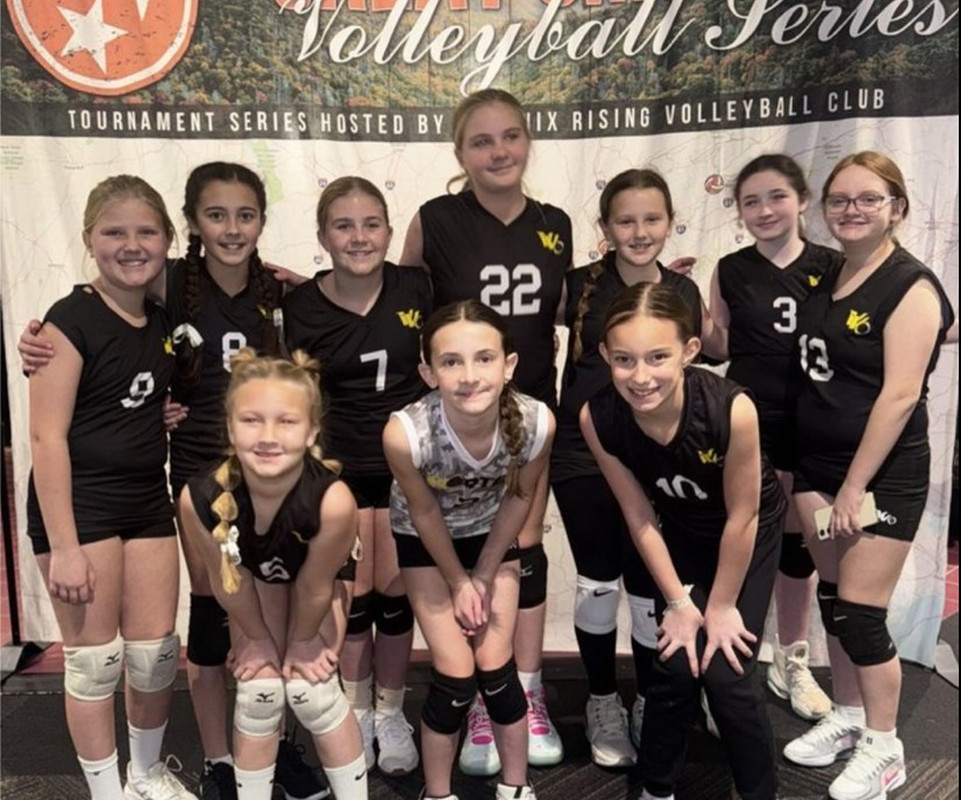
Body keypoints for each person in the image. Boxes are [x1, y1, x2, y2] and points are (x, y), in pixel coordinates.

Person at [18, 162, 333, 800]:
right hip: (194, 484)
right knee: (205, 624)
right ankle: (217, 762)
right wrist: (38, 340)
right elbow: (54, 426)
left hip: (267, 483)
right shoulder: (157, 291)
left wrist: (314, 287)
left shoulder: (270, 296)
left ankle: (265, 753)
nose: (232, 228)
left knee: (229, 631)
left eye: (245, 215)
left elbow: (140, 380)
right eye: (216, 215)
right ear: (190, 225)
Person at [400, 88, 568, 774]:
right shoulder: (436, 218)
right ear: (459, 153)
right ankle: (475, 690)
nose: (499, 151)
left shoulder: (555, 221)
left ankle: (521, 690)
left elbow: (572, 307)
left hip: (525, 415)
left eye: (510, 136)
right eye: (481, 141)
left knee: (522, 547)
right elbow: (398, 298)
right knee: (466, 546)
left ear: (528, 141)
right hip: (458, 418)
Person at [781, 152, 954, 800]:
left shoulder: (910, 286)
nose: (851, 210)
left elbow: (899, 396)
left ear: (896, 209)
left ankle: (886, 748)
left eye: (868, 199)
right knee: (833, 599)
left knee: (860, 613)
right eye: (840, 200)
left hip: (879, 478)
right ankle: (850, 715)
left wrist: (855, 487)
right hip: (816, 468)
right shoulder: (831, 272)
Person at [26, 175, 196, 800]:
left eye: (146, 232)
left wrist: (157, 412)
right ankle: (105, 792)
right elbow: (46, 438)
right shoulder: (67, 321)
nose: (131, 245)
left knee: (154, 655)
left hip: (146, 500)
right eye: (114, 232)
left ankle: (145, 776)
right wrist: (65, 547)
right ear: (88, 239)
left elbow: (128, 393)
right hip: (82, 507)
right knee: (95, 662)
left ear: (168, 239)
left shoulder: (162, 316)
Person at [581, 282, 786, 800]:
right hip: (679, 533)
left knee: (726, 673)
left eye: (657, 357)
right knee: (673, 663)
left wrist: (720, 606)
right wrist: (677, 602)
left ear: (690, 351)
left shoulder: (731, 409)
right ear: (605, 355)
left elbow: (743, 516)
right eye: (624, 359)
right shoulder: (598, 417)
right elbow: (638, 515)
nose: (640, 376)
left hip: (746, 534)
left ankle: (760, 792)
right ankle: (657, 788)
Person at [554, 168, 722, 767]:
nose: (640, 231)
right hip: (582, 451)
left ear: (671, 221)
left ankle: (652, 697)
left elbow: (717, 350)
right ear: (605, 227)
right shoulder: (575, 285)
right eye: (625, 220)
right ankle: (602, 698)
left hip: (657, 455)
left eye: (652, 218)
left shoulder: (683, 293)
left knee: (652, 588)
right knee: (598, 581)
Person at [284, 176, 432, 776]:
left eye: (371, 224)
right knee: (352, 598)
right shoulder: (300, 306)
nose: (359, 237)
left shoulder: (417, 286)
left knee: (395, 595)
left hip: (405, 466)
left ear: (390, 232)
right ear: (323, 236)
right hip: (336, 472)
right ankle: (355, 710)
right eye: (343, 226)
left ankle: (391, 711)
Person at [178, 349, 368, 800]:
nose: (267, 436)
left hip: (315, 583)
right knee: (259, 690)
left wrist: (302, 642)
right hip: (254, 577)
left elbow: (315, 585)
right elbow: (230, 582)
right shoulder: (199, 499)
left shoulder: (333, 501)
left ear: (311, 431)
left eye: (286, 422)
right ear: (230, 429)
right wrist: (259, 639)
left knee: (311, 692)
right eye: (251, 420)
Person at [384, 300, 555, 800]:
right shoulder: (406, 433)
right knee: (457, 677)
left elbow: (520, 497)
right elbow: (423, 513)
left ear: (509, 365)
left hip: (491, 537)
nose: (469, 376)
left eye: (484, 358)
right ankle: (437, 793)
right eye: (451, 362)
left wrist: (482, 574)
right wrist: (459, 581)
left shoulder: (536, 422)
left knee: (498, 671)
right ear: (428, 373)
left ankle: (516, 787)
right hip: (425, 542)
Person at [709, 154, 840, 721]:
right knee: (744, 543)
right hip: (749, 425)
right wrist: (680, 302)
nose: (764, 210)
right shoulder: (730, 269)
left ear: (803, 200)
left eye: (776, 197)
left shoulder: (834, 265)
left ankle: (792, 659)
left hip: (815, 424)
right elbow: (717, 346)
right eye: (751, 201)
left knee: (799, 547)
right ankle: (728, 668)